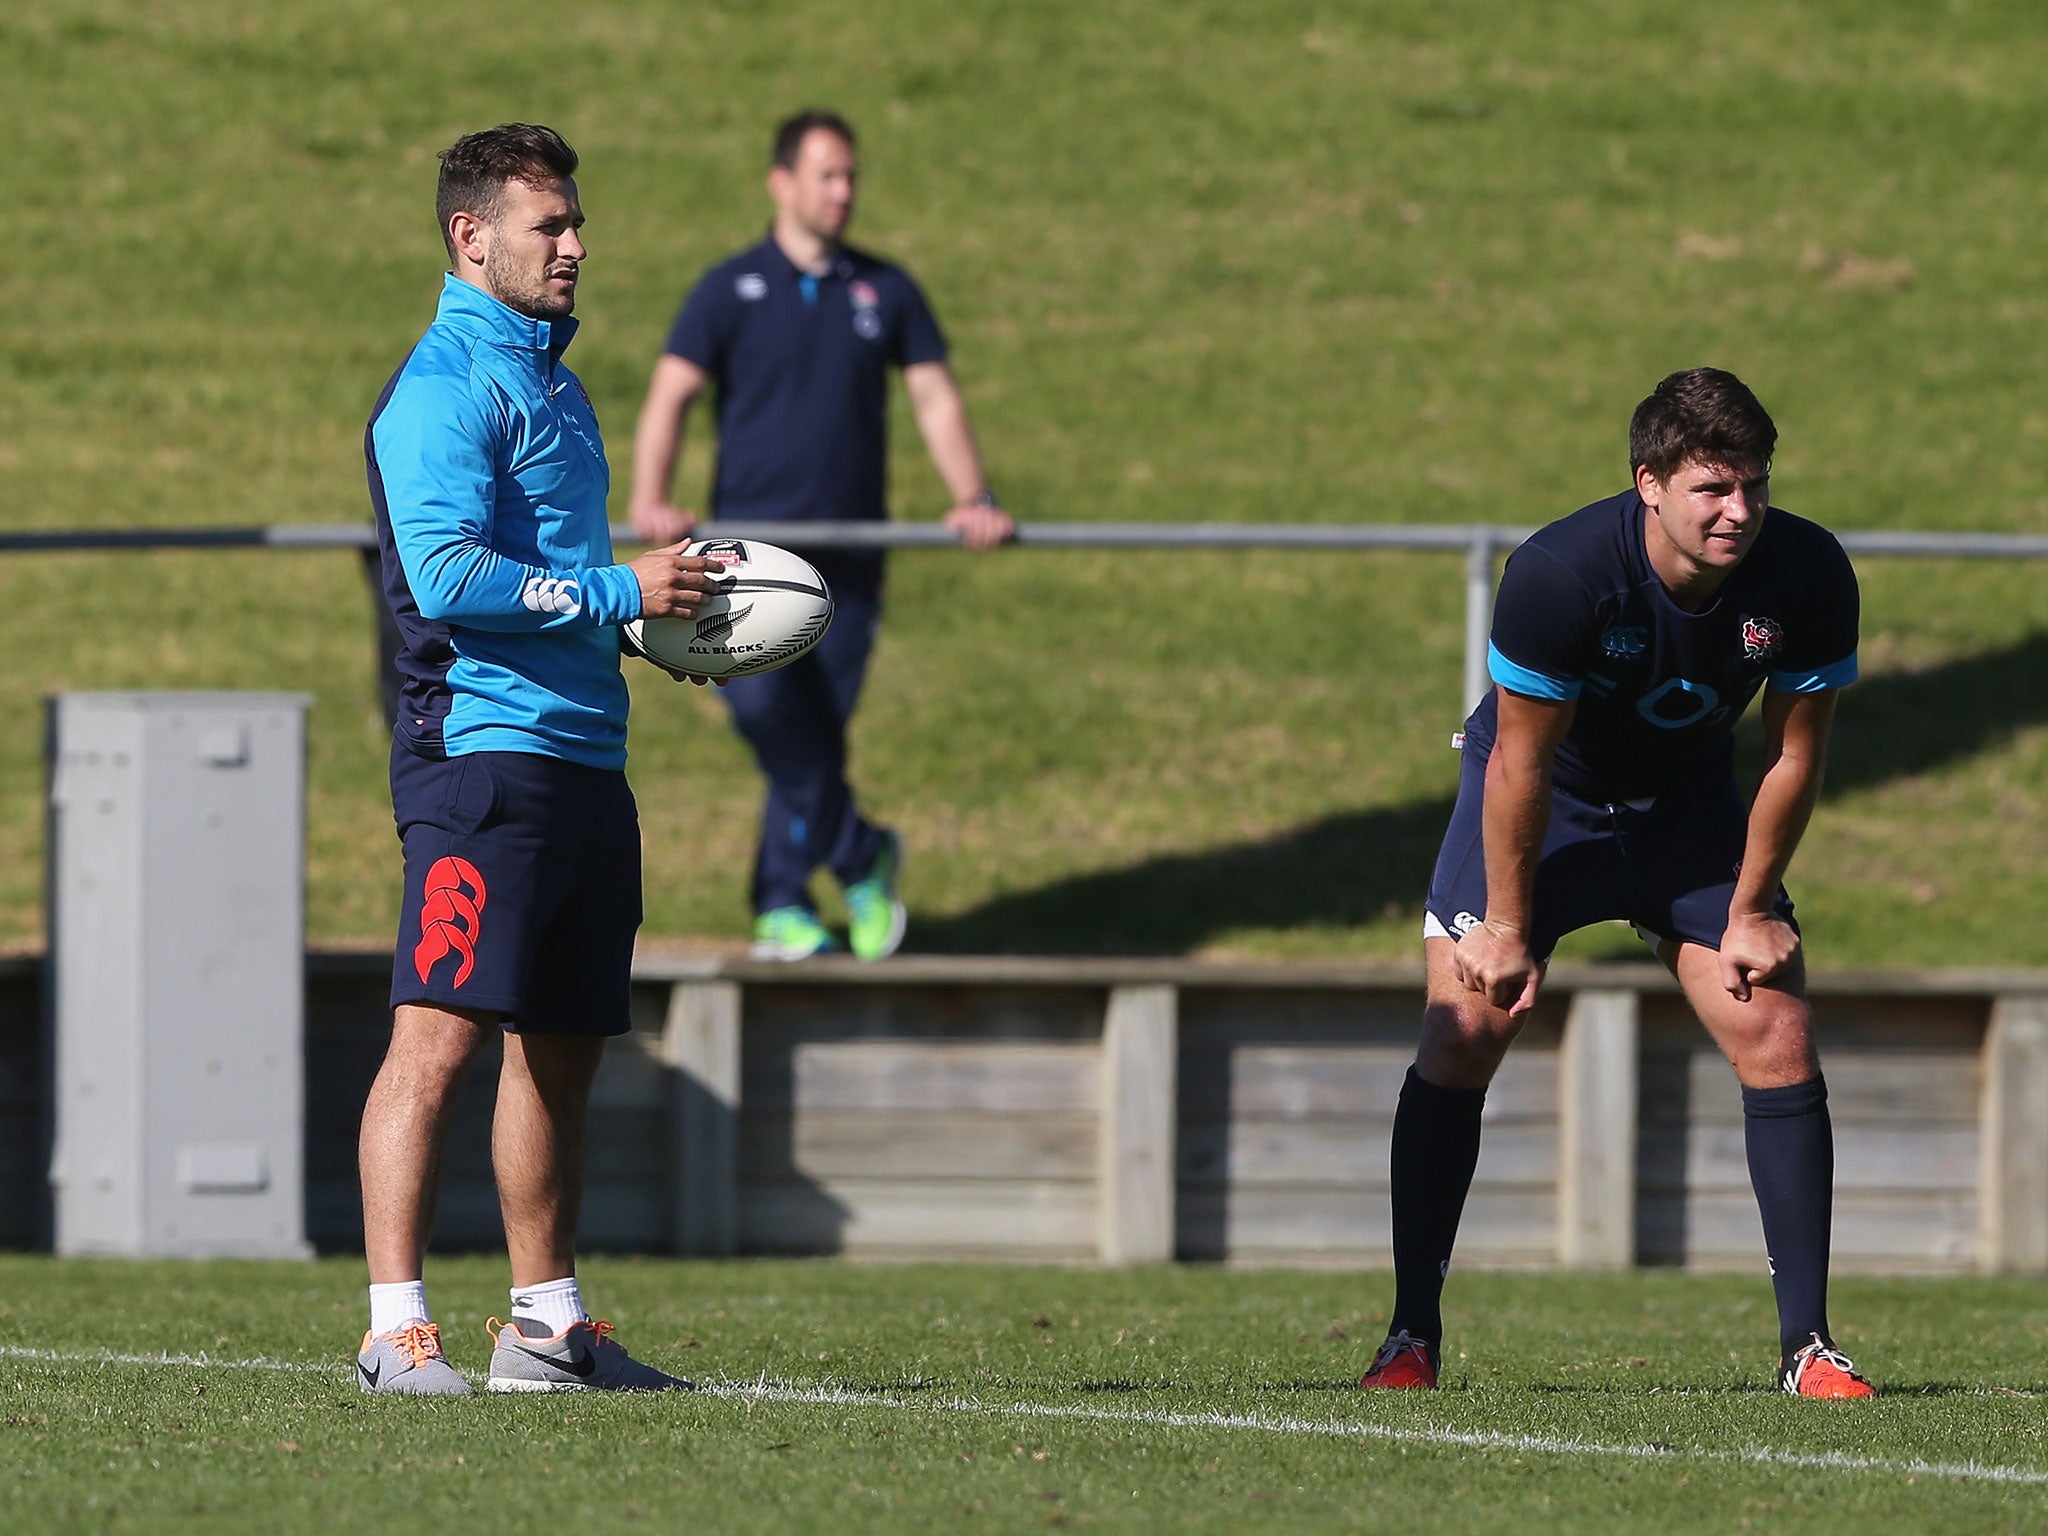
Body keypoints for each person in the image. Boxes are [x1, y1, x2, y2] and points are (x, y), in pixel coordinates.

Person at [1360, 369, 1874, 1399]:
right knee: (1462, 1030)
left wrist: (1751, 906)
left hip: (1688, 812)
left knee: (1774, 1029)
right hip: (1545, 807)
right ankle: (1408, 1338)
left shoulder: (1808, 571)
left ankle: (1806, 1349)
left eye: (1754, 487)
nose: (1740, 511)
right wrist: (1504, 926)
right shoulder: (1557, 573)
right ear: (1647, 482)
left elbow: (1790, 756)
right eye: (1711, 489)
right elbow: (1517, 765)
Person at [358, 122, 721, 1394]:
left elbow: (557, 579)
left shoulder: (556, 382)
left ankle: (543, 1325)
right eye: (548, 225)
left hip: (582, 756)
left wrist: (653, 619)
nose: (575, 244)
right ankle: (394, 1327)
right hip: (479, 760)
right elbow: (452, 576)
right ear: (473, 237)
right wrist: (620, 580)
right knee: (438, 1036)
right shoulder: (445, 385)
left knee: (560, 1044)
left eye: (574, 223)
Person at [629, 109, 1012, 963]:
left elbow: (935, 397)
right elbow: (670, 397)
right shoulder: (728, 289)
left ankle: (781, 904)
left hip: (851, 561)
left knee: (816, 739)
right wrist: (653, 498)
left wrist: (972, 496)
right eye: (826, 176)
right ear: (782, 183)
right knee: (769, 714)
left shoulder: (887, 290)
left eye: (850, 177)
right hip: (744, 565)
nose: (842, 192)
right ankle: (861, 855)